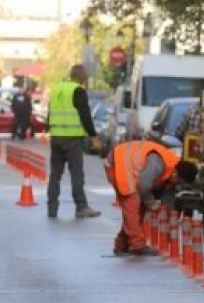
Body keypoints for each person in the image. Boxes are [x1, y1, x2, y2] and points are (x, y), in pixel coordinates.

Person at [104, 135, 180, 256]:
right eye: (178, 181)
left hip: (121, 162)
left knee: (138, 208)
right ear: (176, 174)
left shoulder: (170, 165)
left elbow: (167, 201)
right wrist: (153, 204)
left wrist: (169, 233)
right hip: (119, 163)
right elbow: (144, 184)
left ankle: (122, 243)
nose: (176, 184)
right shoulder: (159, 163)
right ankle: (137, 245)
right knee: (132, 205)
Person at [46, 64, 102, 219]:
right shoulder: (78, 90)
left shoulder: (57, 88)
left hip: (56, 137)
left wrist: (48, 128)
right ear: (83, 78)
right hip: (72, 139)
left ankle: (52, 208)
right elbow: (85, 115)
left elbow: (50, 111)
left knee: (55, 175)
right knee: (76, 173)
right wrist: (93, 135)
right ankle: (81, 206)